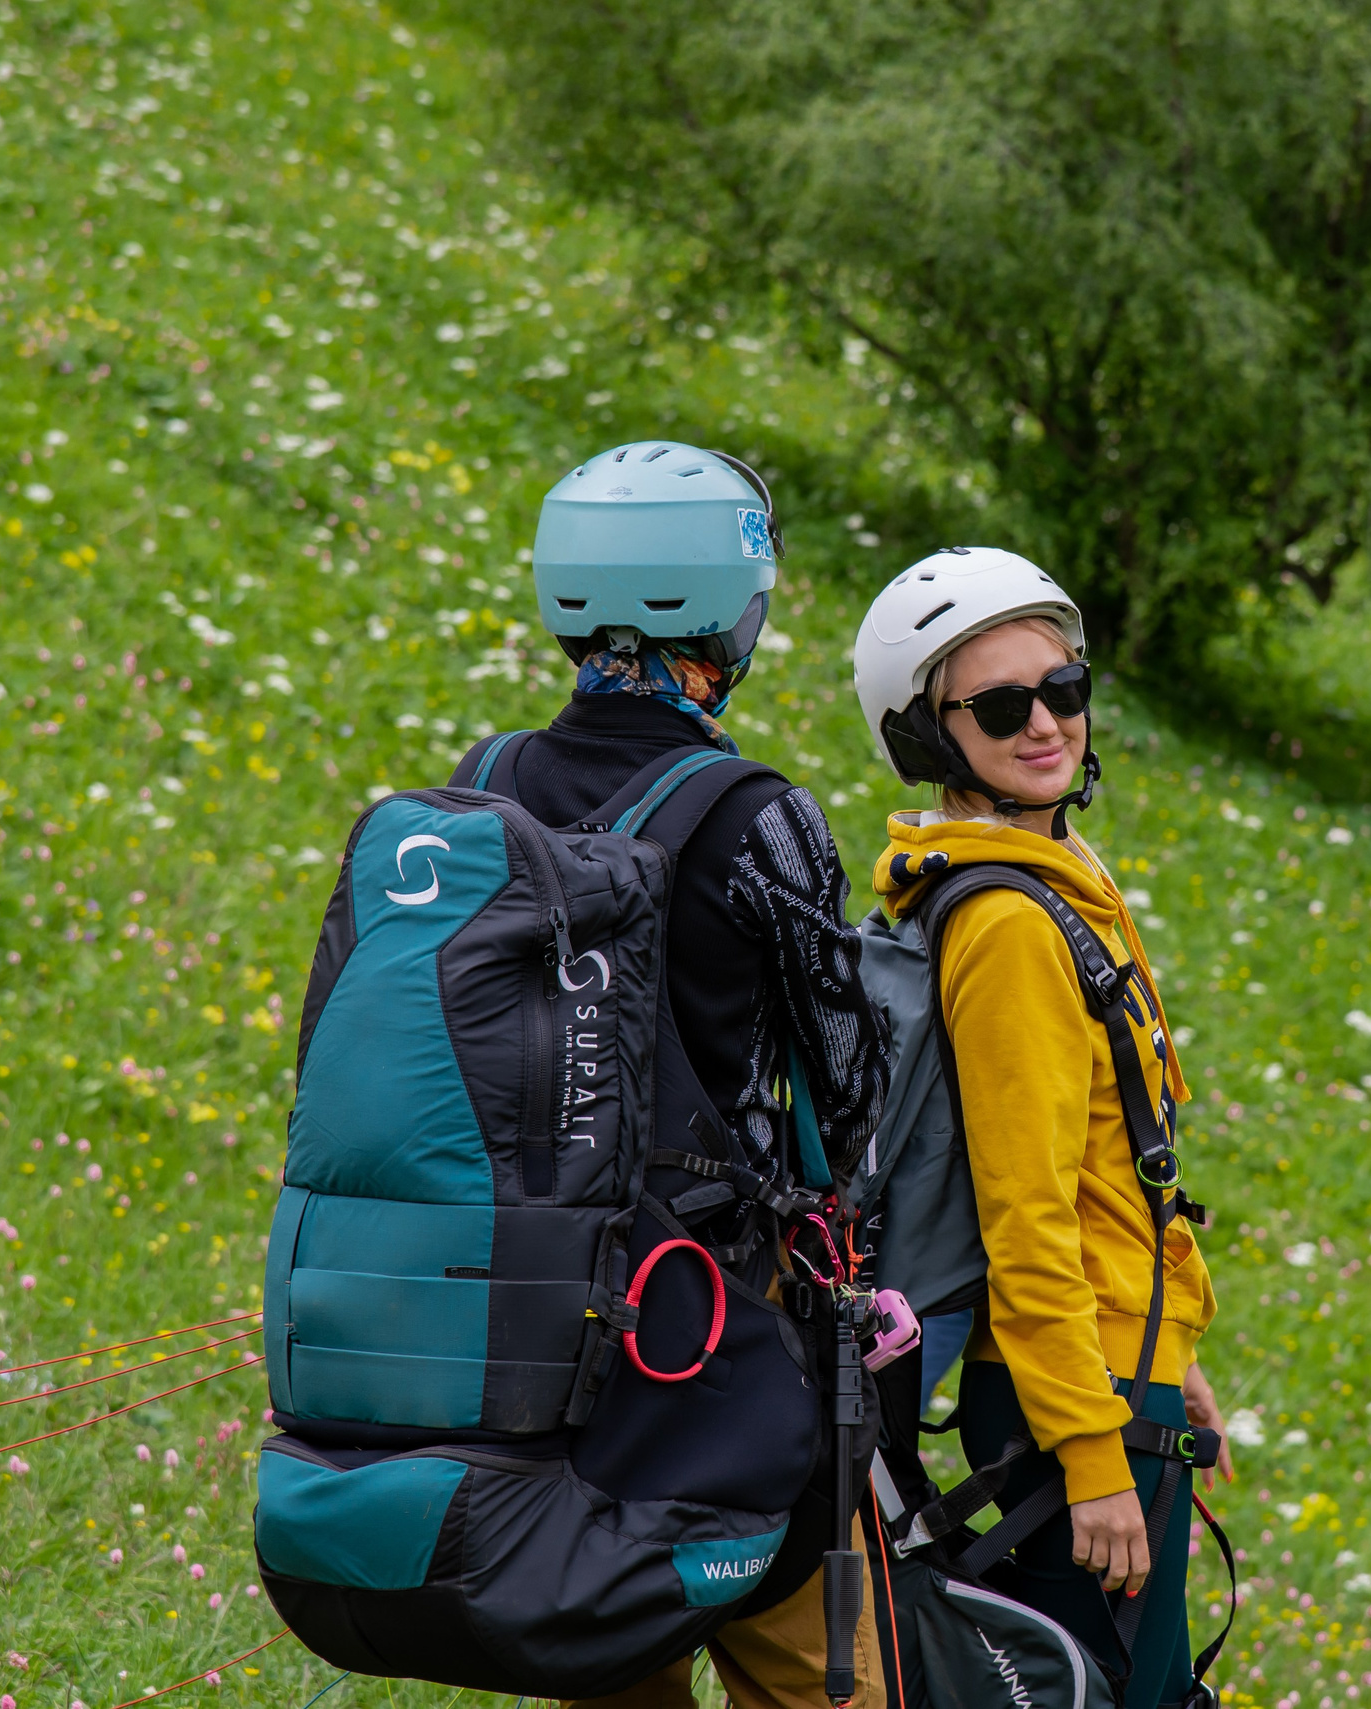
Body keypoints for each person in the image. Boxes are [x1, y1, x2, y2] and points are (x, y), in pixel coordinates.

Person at [463, 440, 891, 1709]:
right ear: (727, 612)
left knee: (611, 1652)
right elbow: (847, 1080)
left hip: (523, 1321)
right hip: (705, 1326)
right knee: (820, 1669)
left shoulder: (480, 786)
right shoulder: (755, 812)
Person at [854, 548, 1232, 1709]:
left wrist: (1177, 1355)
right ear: (929, 735)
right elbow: (1028, 1213)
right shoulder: (1012, 924)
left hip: (1121, 1365)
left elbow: (1114, 1168)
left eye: (1061, 687)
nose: (1045, 724)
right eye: (1002, 705)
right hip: (1076, 1393)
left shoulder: (1054, 872)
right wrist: (1092, 1455)